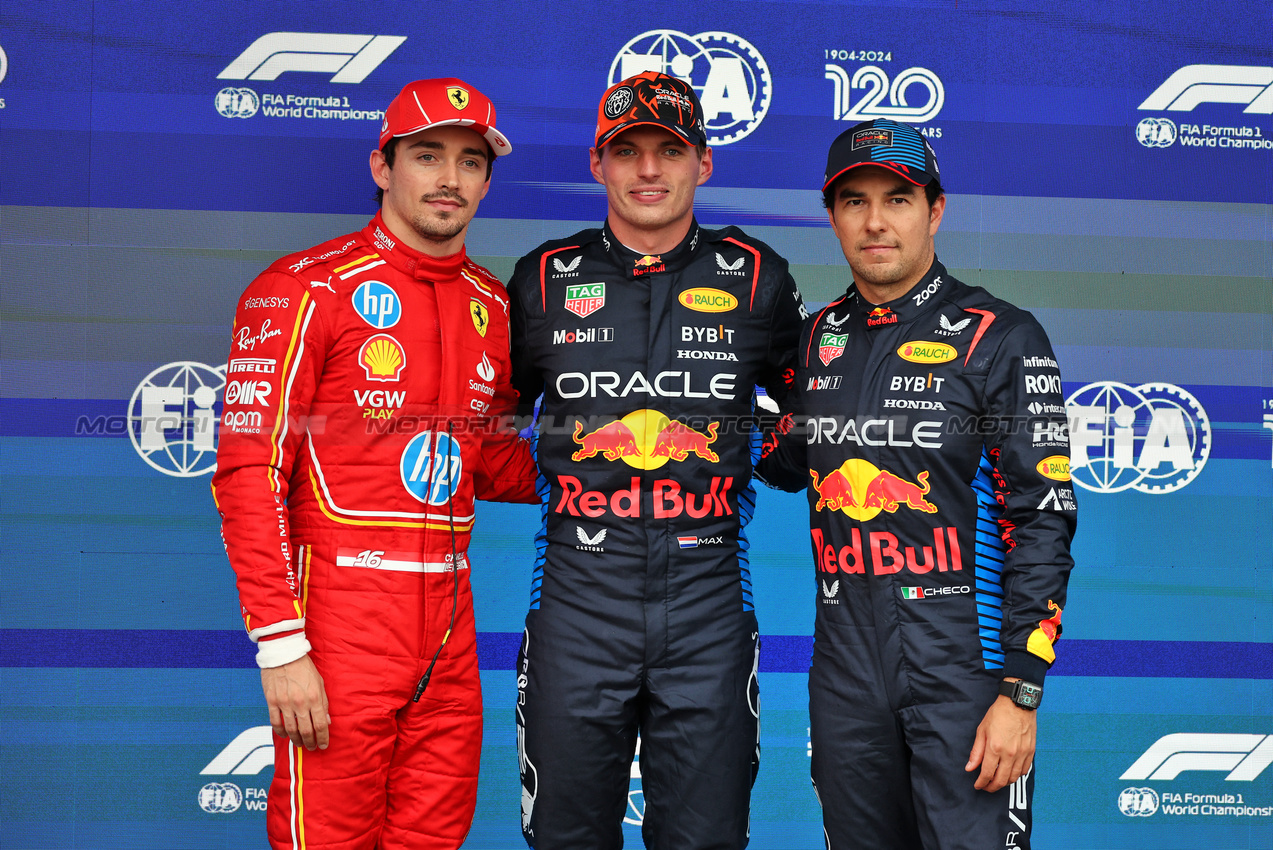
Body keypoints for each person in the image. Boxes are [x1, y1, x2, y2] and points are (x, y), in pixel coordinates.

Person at [212, 77, 536, 849]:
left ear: (487, 180)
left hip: (450, 632)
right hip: (337, 625)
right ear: (382, 166)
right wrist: (282, 646)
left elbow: (489, 461)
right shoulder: (303, 288)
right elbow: (246, 472)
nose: (449, 179)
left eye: (469, 161)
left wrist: (619, 467)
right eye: (427, 156)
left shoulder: (491, 304)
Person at [506, 71, 806, 850]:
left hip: (707, 604)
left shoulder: (757, 277)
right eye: (626, 150)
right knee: (566, 839)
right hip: (577, 602)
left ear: (702, 164)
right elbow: (486, 425)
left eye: (668, 150)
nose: (647, 170)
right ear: (598, 164)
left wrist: (764, 448)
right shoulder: (540, 279)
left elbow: (808, 424)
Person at [757, 118, 1075, 850]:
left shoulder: (999, 334)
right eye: (854, 201)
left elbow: (1043, 517)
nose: (875, 221)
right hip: (843, 668)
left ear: (934, 210)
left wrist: (1020, 691)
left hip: (964, 668)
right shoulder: (814, 340)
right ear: (831, 215)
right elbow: (786, 462)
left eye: (897, 198)